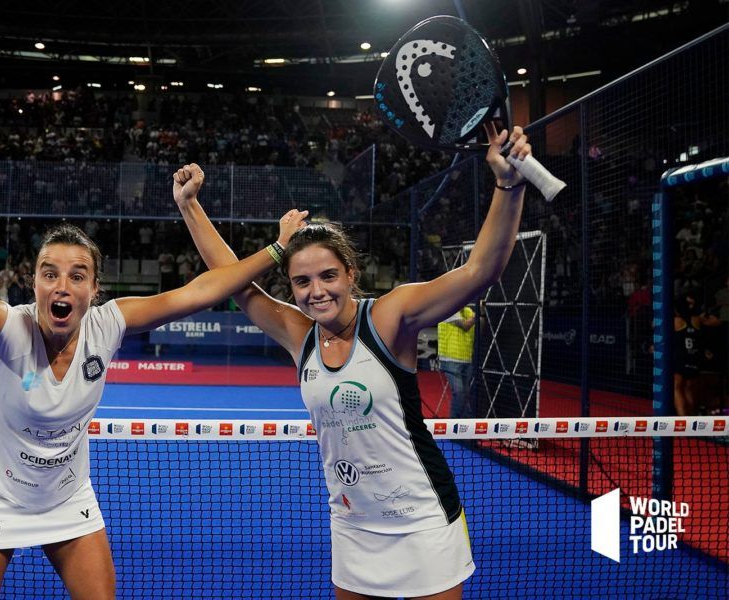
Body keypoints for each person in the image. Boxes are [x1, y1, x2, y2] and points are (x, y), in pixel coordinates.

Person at [0, 166, 307, 600]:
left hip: (67, 499)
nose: (62, 285)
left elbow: (203, 289)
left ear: (94, 288)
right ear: (35, 284)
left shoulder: (107, 325)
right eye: (50, 274)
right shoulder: (6, 327)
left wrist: (278, 248)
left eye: (76, 275)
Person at [173, 125, 533, 600]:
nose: (315, 290)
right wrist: (190, 207)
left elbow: (480, 271)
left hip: (423, 521)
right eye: (302, 282)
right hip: (352, 522)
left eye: (327, 276)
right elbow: (236, 283)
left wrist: (508, 186)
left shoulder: (390, 317)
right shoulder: (300, 336)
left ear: (351, 274)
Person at [437, 304, 478, 419]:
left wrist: (482, 313)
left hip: (466, 358)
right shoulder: (448, 309)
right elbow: (466, 326)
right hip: (450, 360)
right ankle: (454, 427)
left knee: (464, 395)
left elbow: (481, 329)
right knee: (459, 393)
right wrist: (478, 314)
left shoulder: (469, 311)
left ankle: (463, 429)